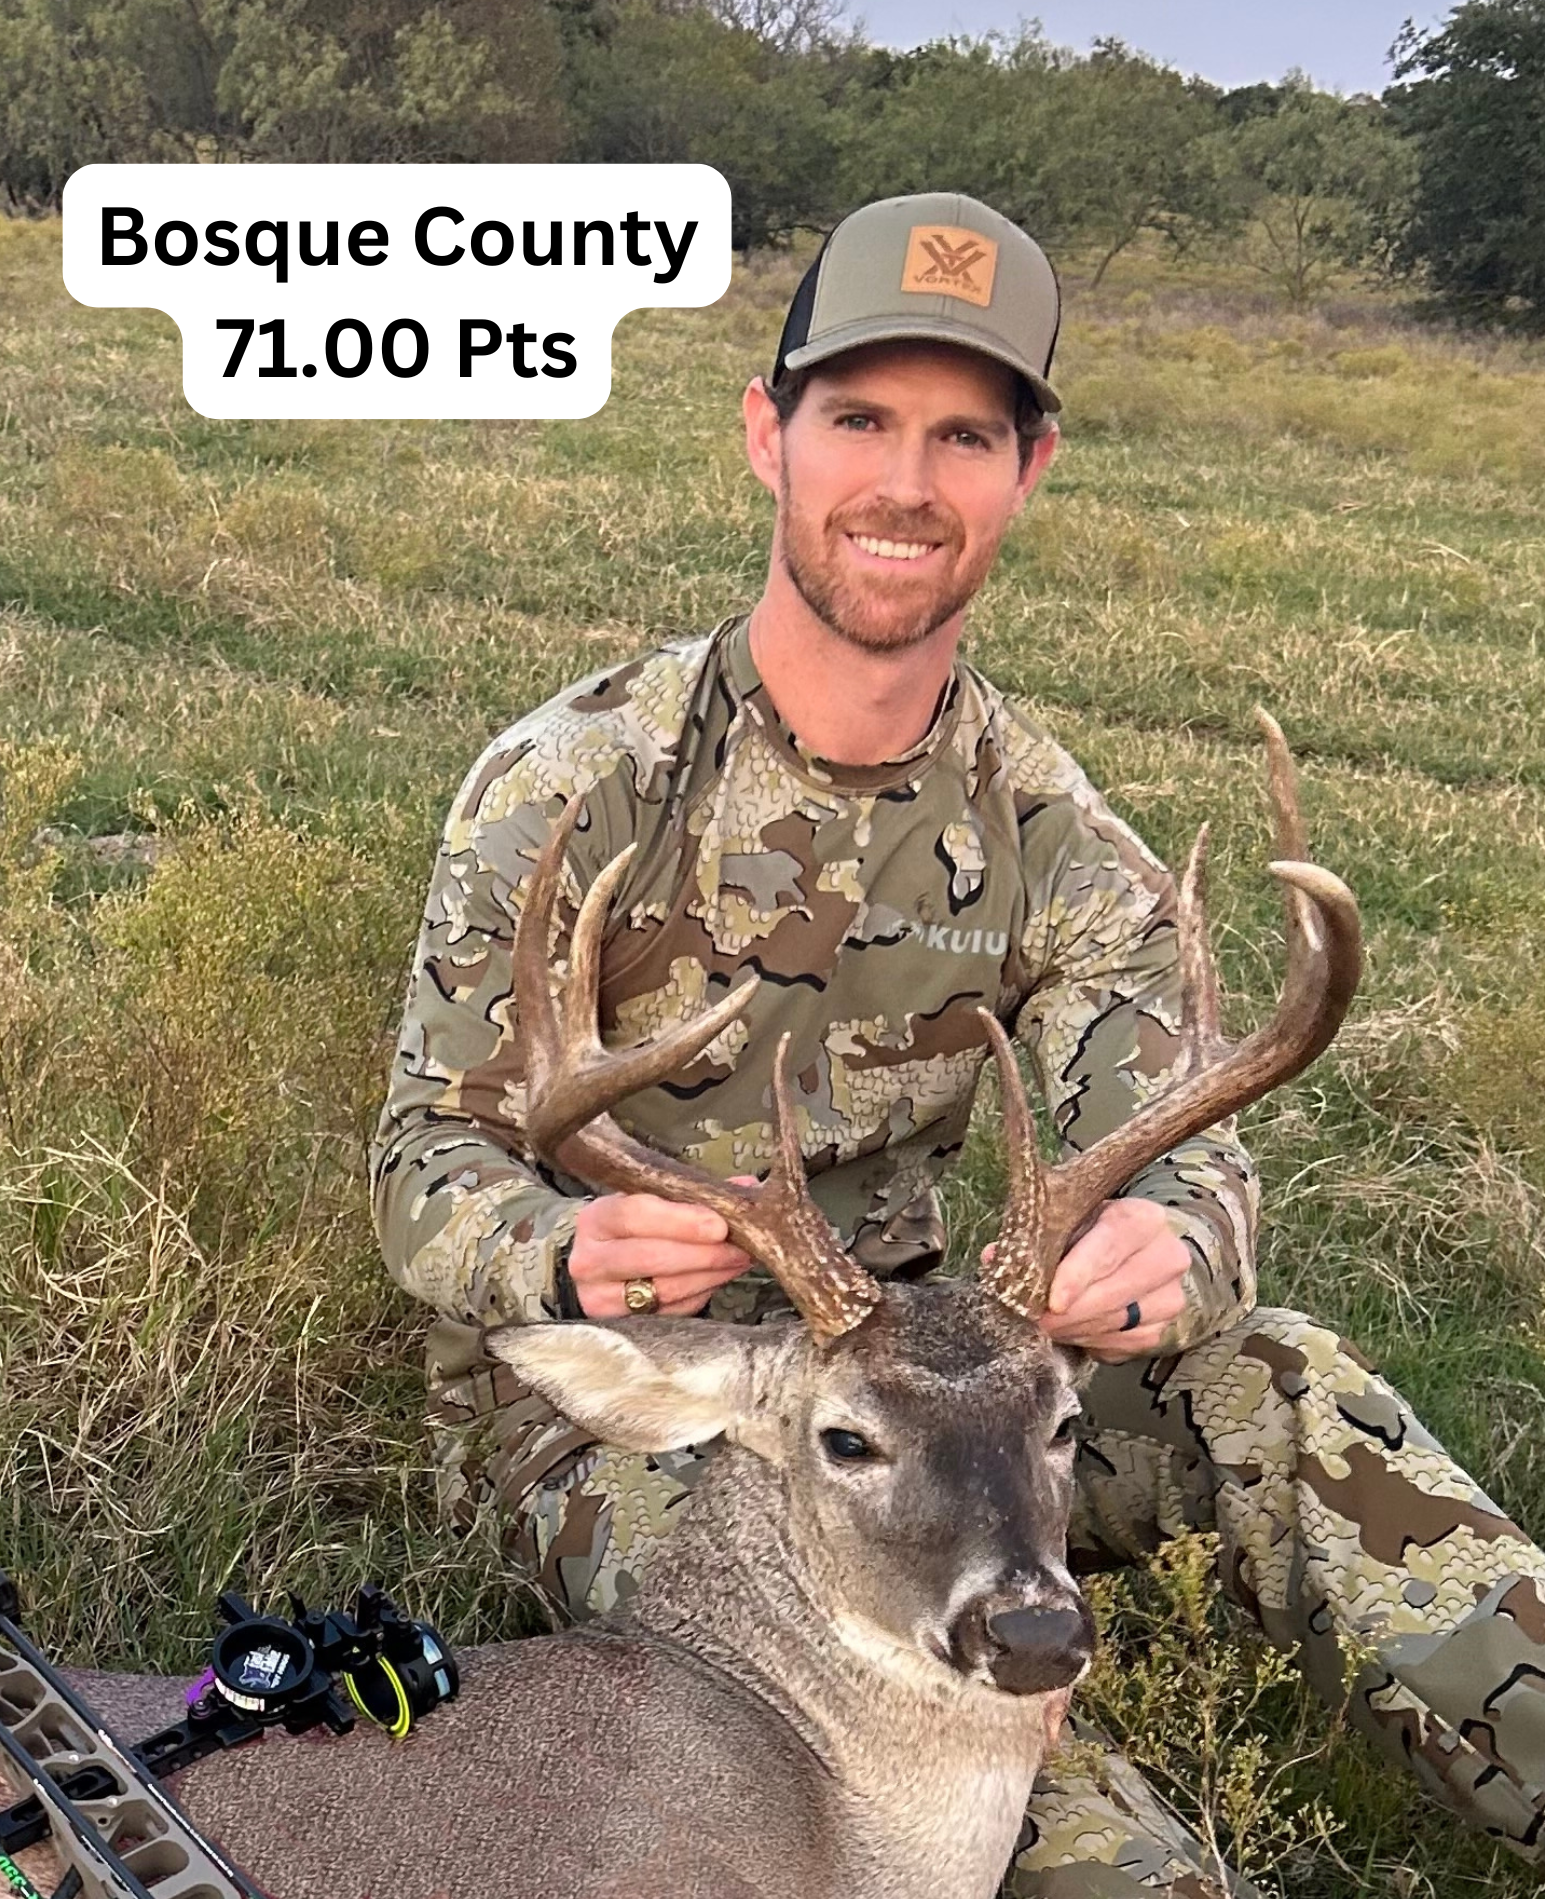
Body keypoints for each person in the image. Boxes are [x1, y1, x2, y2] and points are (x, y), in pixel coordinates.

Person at [370, 193, 1545, 1896]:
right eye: (859, 419)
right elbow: (424, 1157)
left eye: (962, 434)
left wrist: (1179, 1247)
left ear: (1027, 468)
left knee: (1281, 1379)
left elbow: (1188, 1138)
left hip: (970, 1369)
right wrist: (560, 1243)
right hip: (664, 1402)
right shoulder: (574, 782)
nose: (905, 482)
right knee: (1023, 1821)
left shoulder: (1057, 834)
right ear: (768, 436)